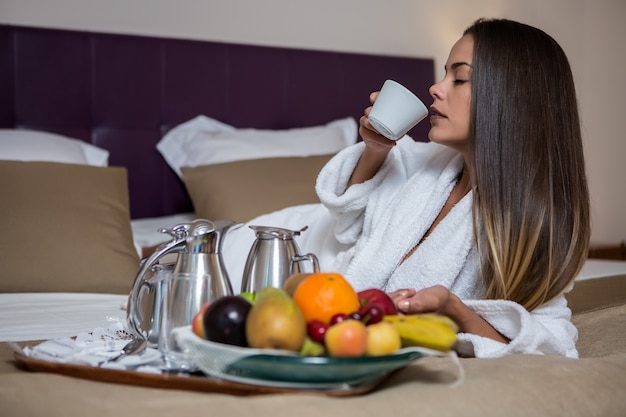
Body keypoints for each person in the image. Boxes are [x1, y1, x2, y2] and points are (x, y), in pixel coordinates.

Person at [311, 17, 590, 358]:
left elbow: (553, 348)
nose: (436, 87)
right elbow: (346, 224)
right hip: (306, 248)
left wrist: (455, 311)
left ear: (510, 98)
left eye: (458, 78)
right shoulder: (422, 164)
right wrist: (376, 150)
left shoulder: (532, 227)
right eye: (445, 74)